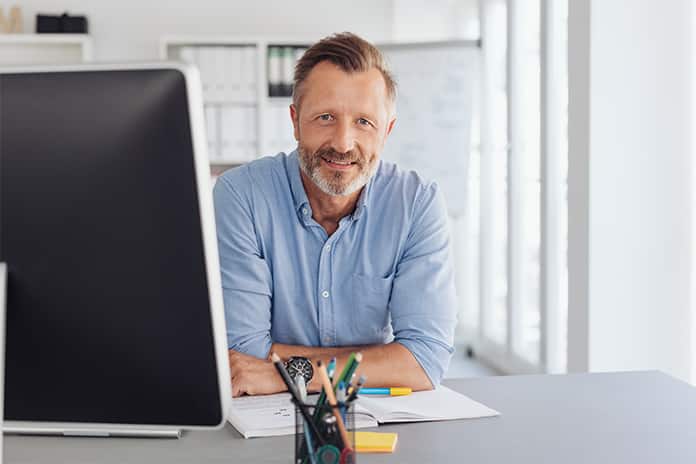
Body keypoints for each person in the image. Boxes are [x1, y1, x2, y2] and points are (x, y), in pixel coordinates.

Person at [213, 32, 457, 397]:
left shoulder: (416, 204)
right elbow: (243, 355)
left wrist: (286, 373)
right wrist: (380, 362)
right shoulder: (241, 195)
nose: (343, 143)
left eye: (364, 122)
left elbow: (423, 361)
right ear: (295, 121)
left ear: (386, 131)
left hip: (377, 420)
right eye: (325, 117)